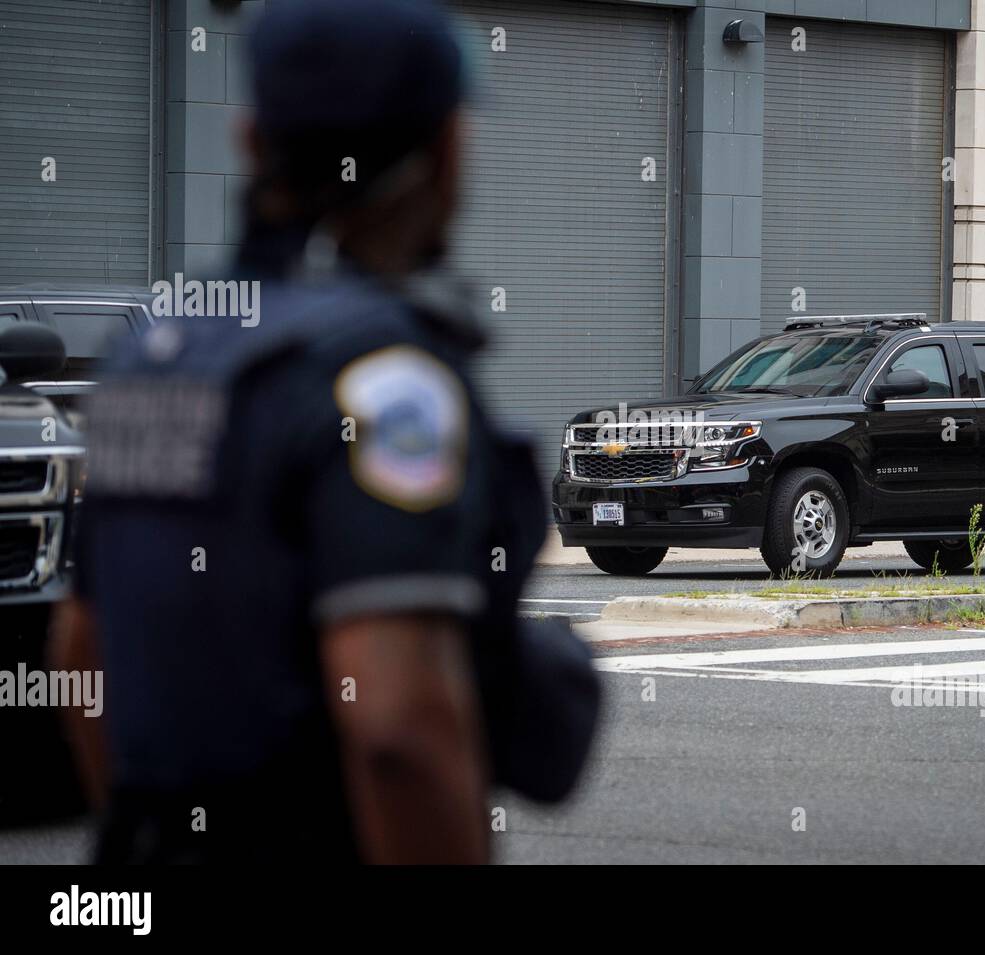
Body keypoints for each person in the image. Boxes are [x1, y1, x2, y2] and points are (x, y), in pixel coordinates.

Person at [50, 0, 597, 864]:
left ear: (248, 140)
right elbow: (397, 725)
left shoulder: (147, 356)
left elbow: (80, 649)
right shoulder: (389, 384)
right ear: (445, 152)